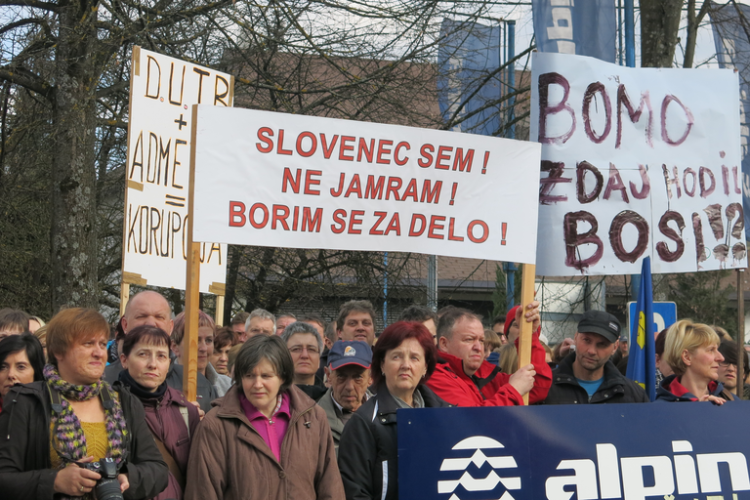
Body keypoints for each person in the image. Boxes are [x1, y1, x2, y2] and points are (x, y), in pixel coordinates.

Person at [0, 307, 168, 499]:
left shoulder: (124, 402)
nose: (99, 352)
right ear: (58, 351)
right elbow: (4, 479)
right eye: (88, 344)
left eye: (102, 344)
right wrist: (54, 481)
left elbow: (158, 469)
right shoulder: (27, 401)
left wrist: (127, 478)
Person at [185, 335, 345, 500]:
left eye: (266, 376)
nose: (257, 384)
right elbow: (202, 492)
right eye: (249, 376)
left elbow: (330, 486)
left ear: (282, 377)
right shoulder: (216, 425)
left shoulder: (313, 418)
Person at [338, 321, 449, 500]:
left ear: (425, 367)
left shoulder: (445, 416)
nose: (406, 365)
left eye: (414, 357)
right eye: (397, 356)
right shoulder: (364, 423)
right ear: (382, 364)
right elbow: (355, 492)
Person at [118, 325, 200, 500]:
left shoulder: (186, 410)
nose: (153, 364)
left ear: (169, 363)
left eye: (161, 356)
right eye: (143, 354)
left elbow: (196, 476)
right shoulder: (110, 408)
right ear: (124, 360)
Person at [426, 304, 551, 407]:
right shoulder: (434, 376)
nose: (478, 347)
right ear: (444, 344)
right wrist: (514, 390)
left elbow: (538, 387)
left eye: (481, 340)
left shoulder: (484, 374)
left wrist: (530, 334)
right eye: (469, 339)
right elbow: (473, 420)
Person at [542, 311, 649, 404]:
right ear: (576, 337)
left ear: (615, 347)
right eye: (586, 340)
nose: (591, 351)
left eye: (602, 344)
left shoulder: (633, 396)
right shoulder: (544, 387)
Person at [103, 290, 174, 384]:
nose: (151, 323)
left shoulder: (192, 383)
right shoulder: (100, 384)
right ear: (125, 325)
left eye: (159, 317)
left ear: (170, 327)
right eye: (141, 316)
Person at [317, 340, 373, 454]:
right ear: (328, 375)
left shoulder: (387, 415)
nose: (349, 387)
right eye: (341, 376)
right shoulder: (313, 421)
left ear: (370, 378)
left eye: (358, 377)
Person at [656, 320, 727, 404]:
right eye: (711, 350)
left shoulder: (731, 401)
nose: (721, 358)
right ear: (687, 357)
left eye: (717, 349)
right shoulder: (659, 410)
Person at [171, 311, 230, 405]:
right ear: (175, 347)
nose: (203, 348)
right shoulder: (162, 386)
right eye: (196, 340)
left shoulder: (228, 386)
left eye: (209, 340)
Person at [281, 322, 326, 400]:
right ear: (283, 356)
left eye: (311, 349)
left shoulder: (333, 401)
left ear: (319, 359)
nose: (304, 355)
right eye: (296, 349)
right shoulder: (271, 401)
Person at [0, 334, 45, 413]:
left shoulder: (50, 413)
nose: (11, 374)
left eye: (21, 367)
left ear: (36, 371)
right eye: (3, 367)